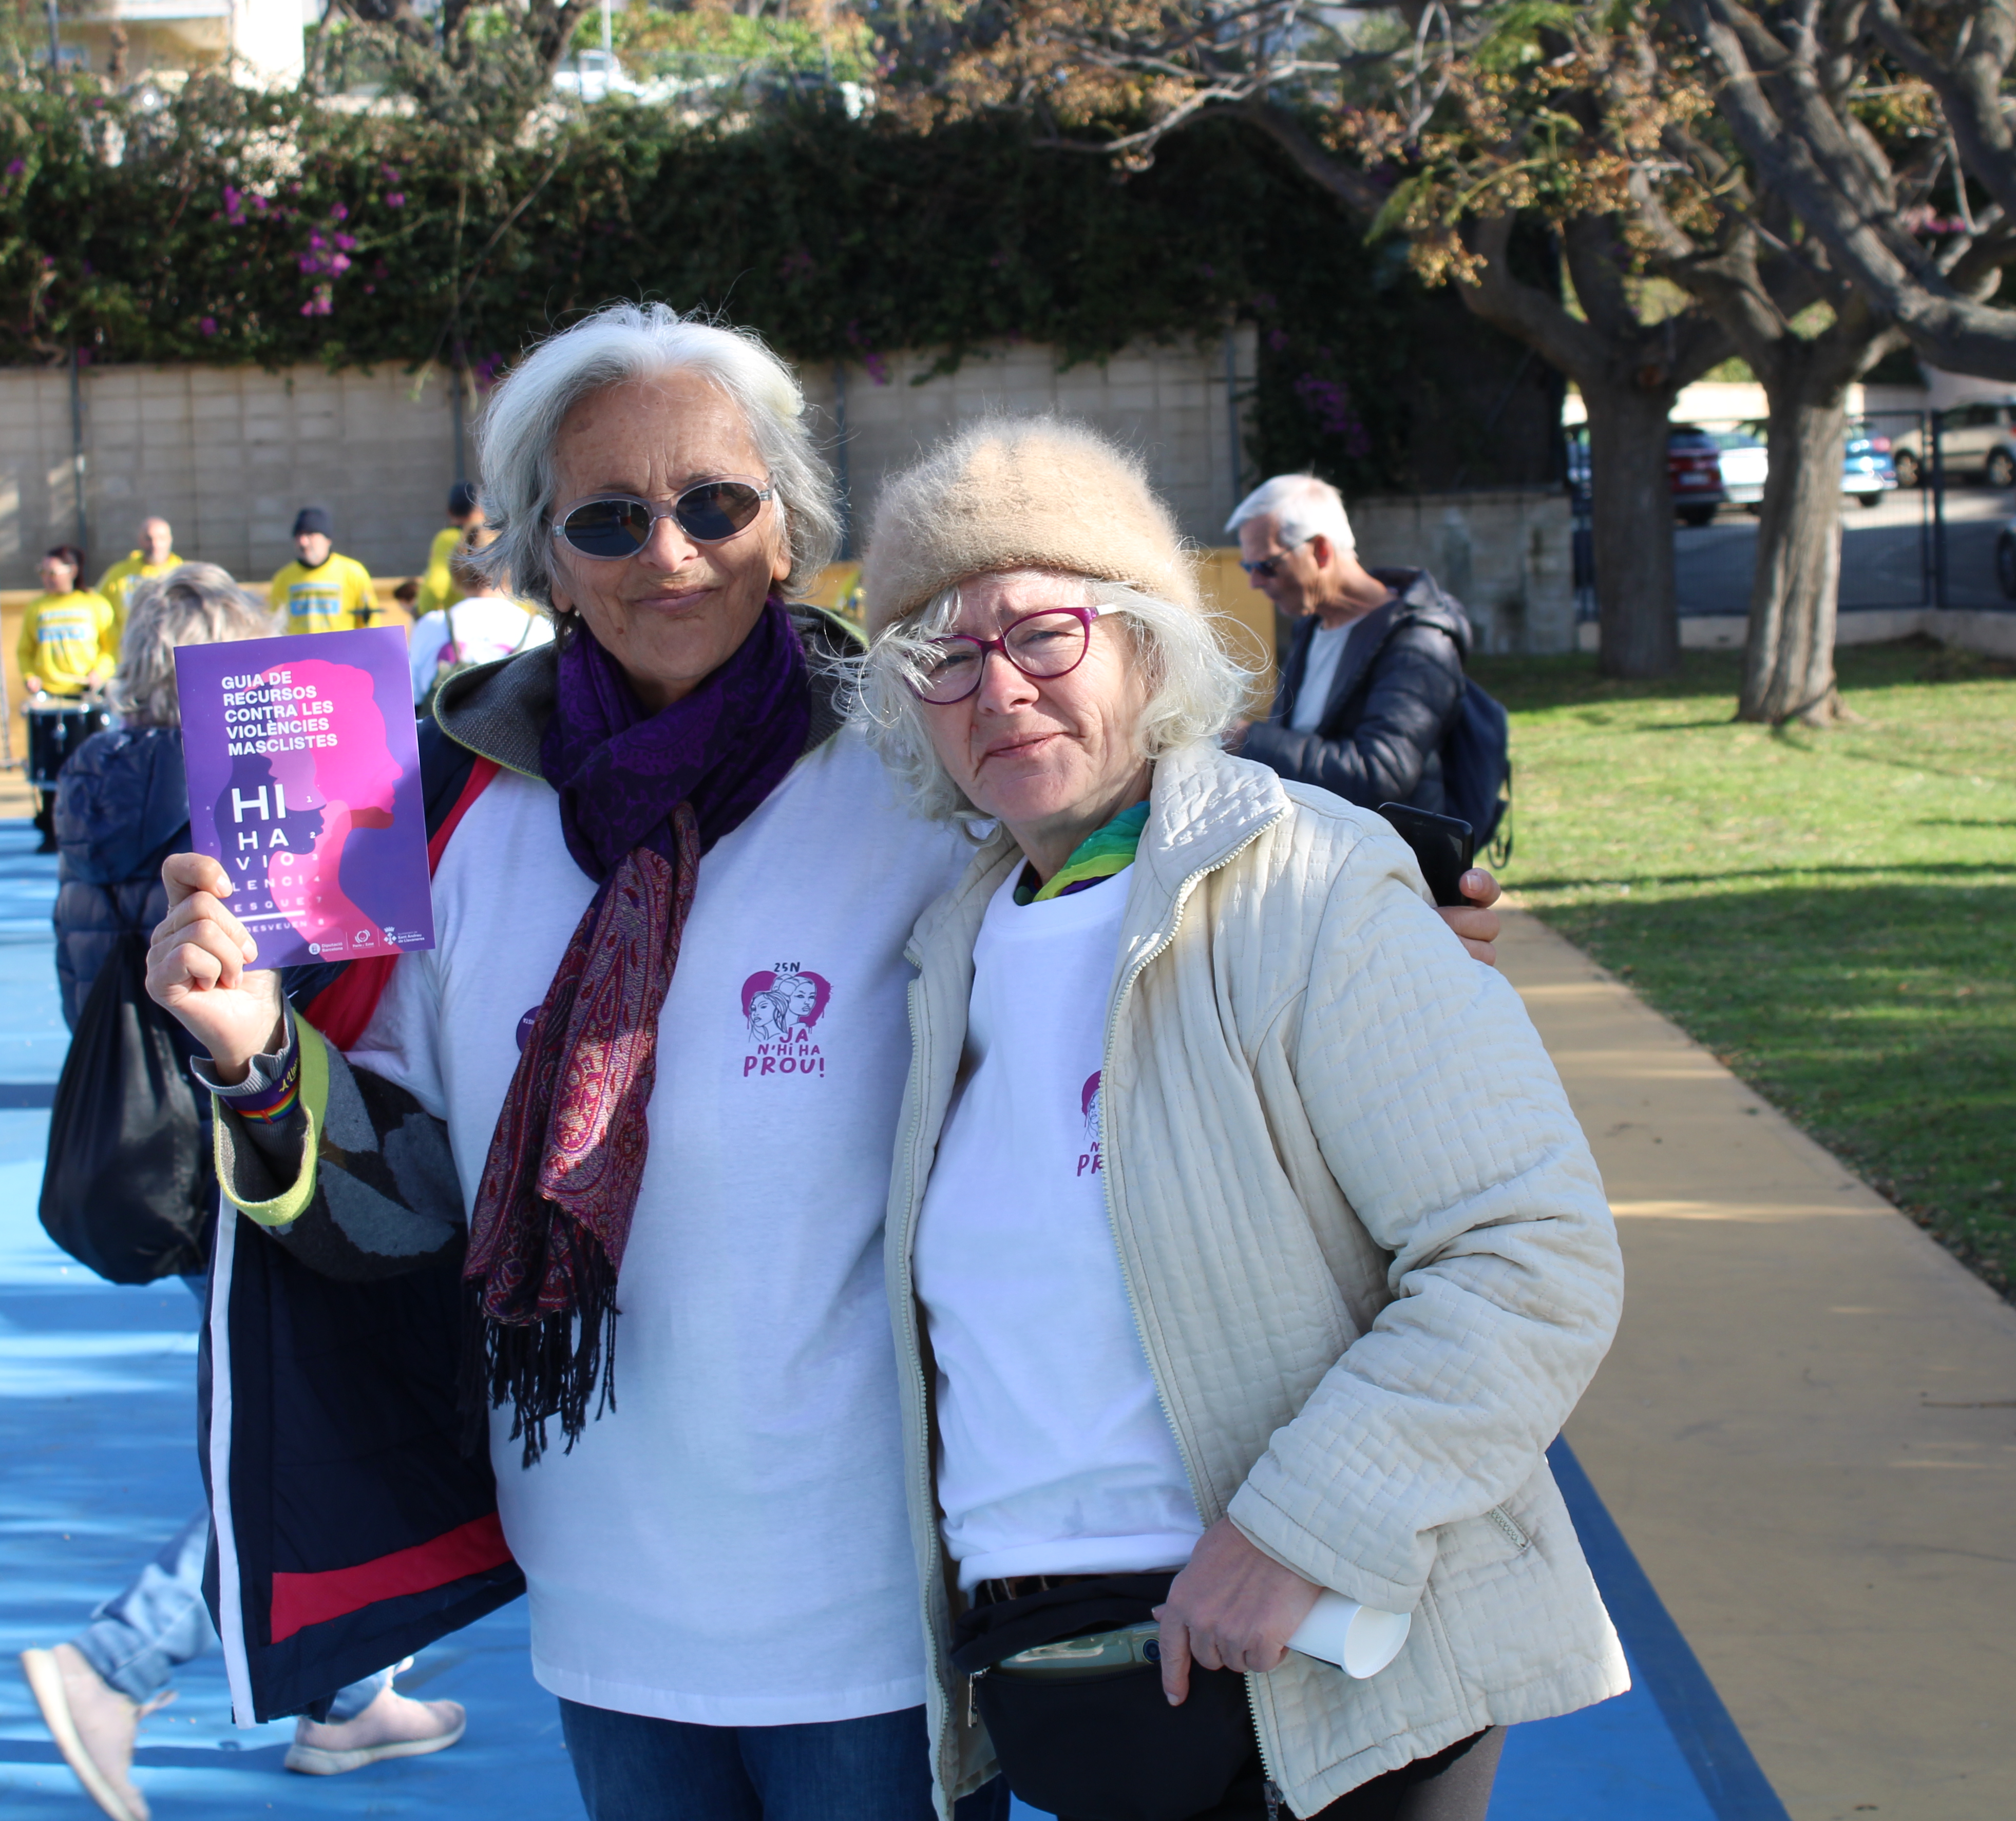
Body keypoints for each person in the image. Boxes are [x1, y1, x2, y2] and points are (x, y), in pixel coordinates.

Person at [142, 304, 1503, 1821]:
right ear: (541, 554)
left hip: (882, 1617)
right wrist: (256, 1053)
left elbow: (1143, 826)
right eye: (609, 515)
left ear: (785, 527)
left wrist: (1350, 904)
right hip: (602, 1599)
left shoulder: (923, 773)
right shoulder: (453, 814)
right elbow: (405, 1201)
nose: (670, 549)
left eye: (716, 502)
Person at [850, 423, 1623, 1820]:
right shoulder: (944, 952)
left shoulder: (1308, 887)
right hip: (1064, 1678)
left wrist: (1299, 1531)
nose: (998, 689)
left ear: (1146, 648)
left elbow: (1532, 1255)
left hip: (1318, 1672)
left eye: (1044, 634)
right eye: (940, 656)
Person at [23, 562, 466, 1821]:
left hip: (151, 1127)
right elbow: (312, 946)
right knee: (309, 1430)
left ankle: (346, 1695)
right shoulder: (217, 791)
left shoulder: (94, 774)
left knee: (295, 1406)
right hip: (252, 1121)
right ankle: (120, 1656)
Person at [1225, 475, 1475, 820]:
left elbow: (1381, 775)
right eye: (1248, 567)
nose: (1255, 582)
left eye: (1267, 566)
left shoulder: (1421, 640)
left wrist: (1247, 739)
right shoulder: (1312, 625)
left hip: (1392, 864)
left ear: (1320, 551)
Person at [21, 545, 118, 853]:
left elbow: (111, 647)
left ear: (72, 572)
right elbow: (25, 650)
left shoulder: (96, 605)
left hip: (84, 699)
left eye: (53, 572)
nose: (47, 579)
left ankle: (90, 826)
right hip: (50, 699)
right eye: (43, 573)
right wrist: (29, 676)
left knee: (86, 765)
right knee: (51, 767)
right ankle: (51, 830)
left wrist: (99, 672)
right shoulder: (37, 608)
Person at [404, 533, 548, 703]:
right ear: (513, 567)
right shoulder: (540, 629)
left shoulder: (430, 625)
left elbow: (412, 698)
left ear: (456, 568)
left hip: (445, 728)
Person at [268, 507, 376, 635]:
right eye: (299, 536)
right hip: (300, 652)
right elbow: (274, 624)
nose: (303, 542)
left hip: (340, 650)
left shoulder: (353, 572)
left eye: (310, 535)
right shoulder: (283, 577)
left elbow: (370, 620)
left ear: (327, 540)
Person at [96, 516, 183, 662]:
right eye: (149, 539)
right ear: (140, 541)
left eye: (161, 538)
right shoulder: (119, 574)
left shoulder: (182, 573)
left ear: (170, 540)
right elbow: (99, 611)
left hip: (172, 655)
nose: (155, 544)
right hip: (130, 655)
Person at [415, 481, 489, 616]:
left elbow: (435, 587)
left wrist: (424, 615)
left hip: (461, 623)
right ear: (481, 510)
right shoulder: (494, 538)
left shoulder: (447, 539)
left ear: (449, 511)